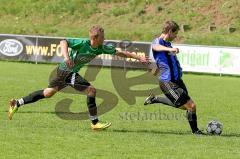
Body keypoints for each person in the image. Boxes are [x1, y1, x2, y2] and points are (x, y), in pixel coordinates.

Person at [8, 25, 149, 130]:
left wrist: (138, 57)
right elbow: (63, 41)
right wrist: (66, 56)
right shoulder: (83, 43)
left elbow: (120, 53)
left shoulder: (100, 47)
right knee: (91, 90)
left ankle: (17, 103)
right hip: (66, 71)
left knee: (48, 93)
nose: (104, 38)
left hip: (63, 72)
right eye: (102, 36)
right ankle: (95, 123)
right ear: (95, 38)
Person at [144, 21, 204, 134]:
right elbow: (155, 47)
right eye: (175, 33)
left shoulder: (168, 44)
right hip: (167, 82)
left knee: (185, 106)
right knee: (191, 105)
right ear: (169, 31)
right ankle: (196, 132)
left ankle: (155, 99)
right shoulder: (158, 42)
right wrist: (170, 50)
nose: (176, 36)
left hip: (178, 81)